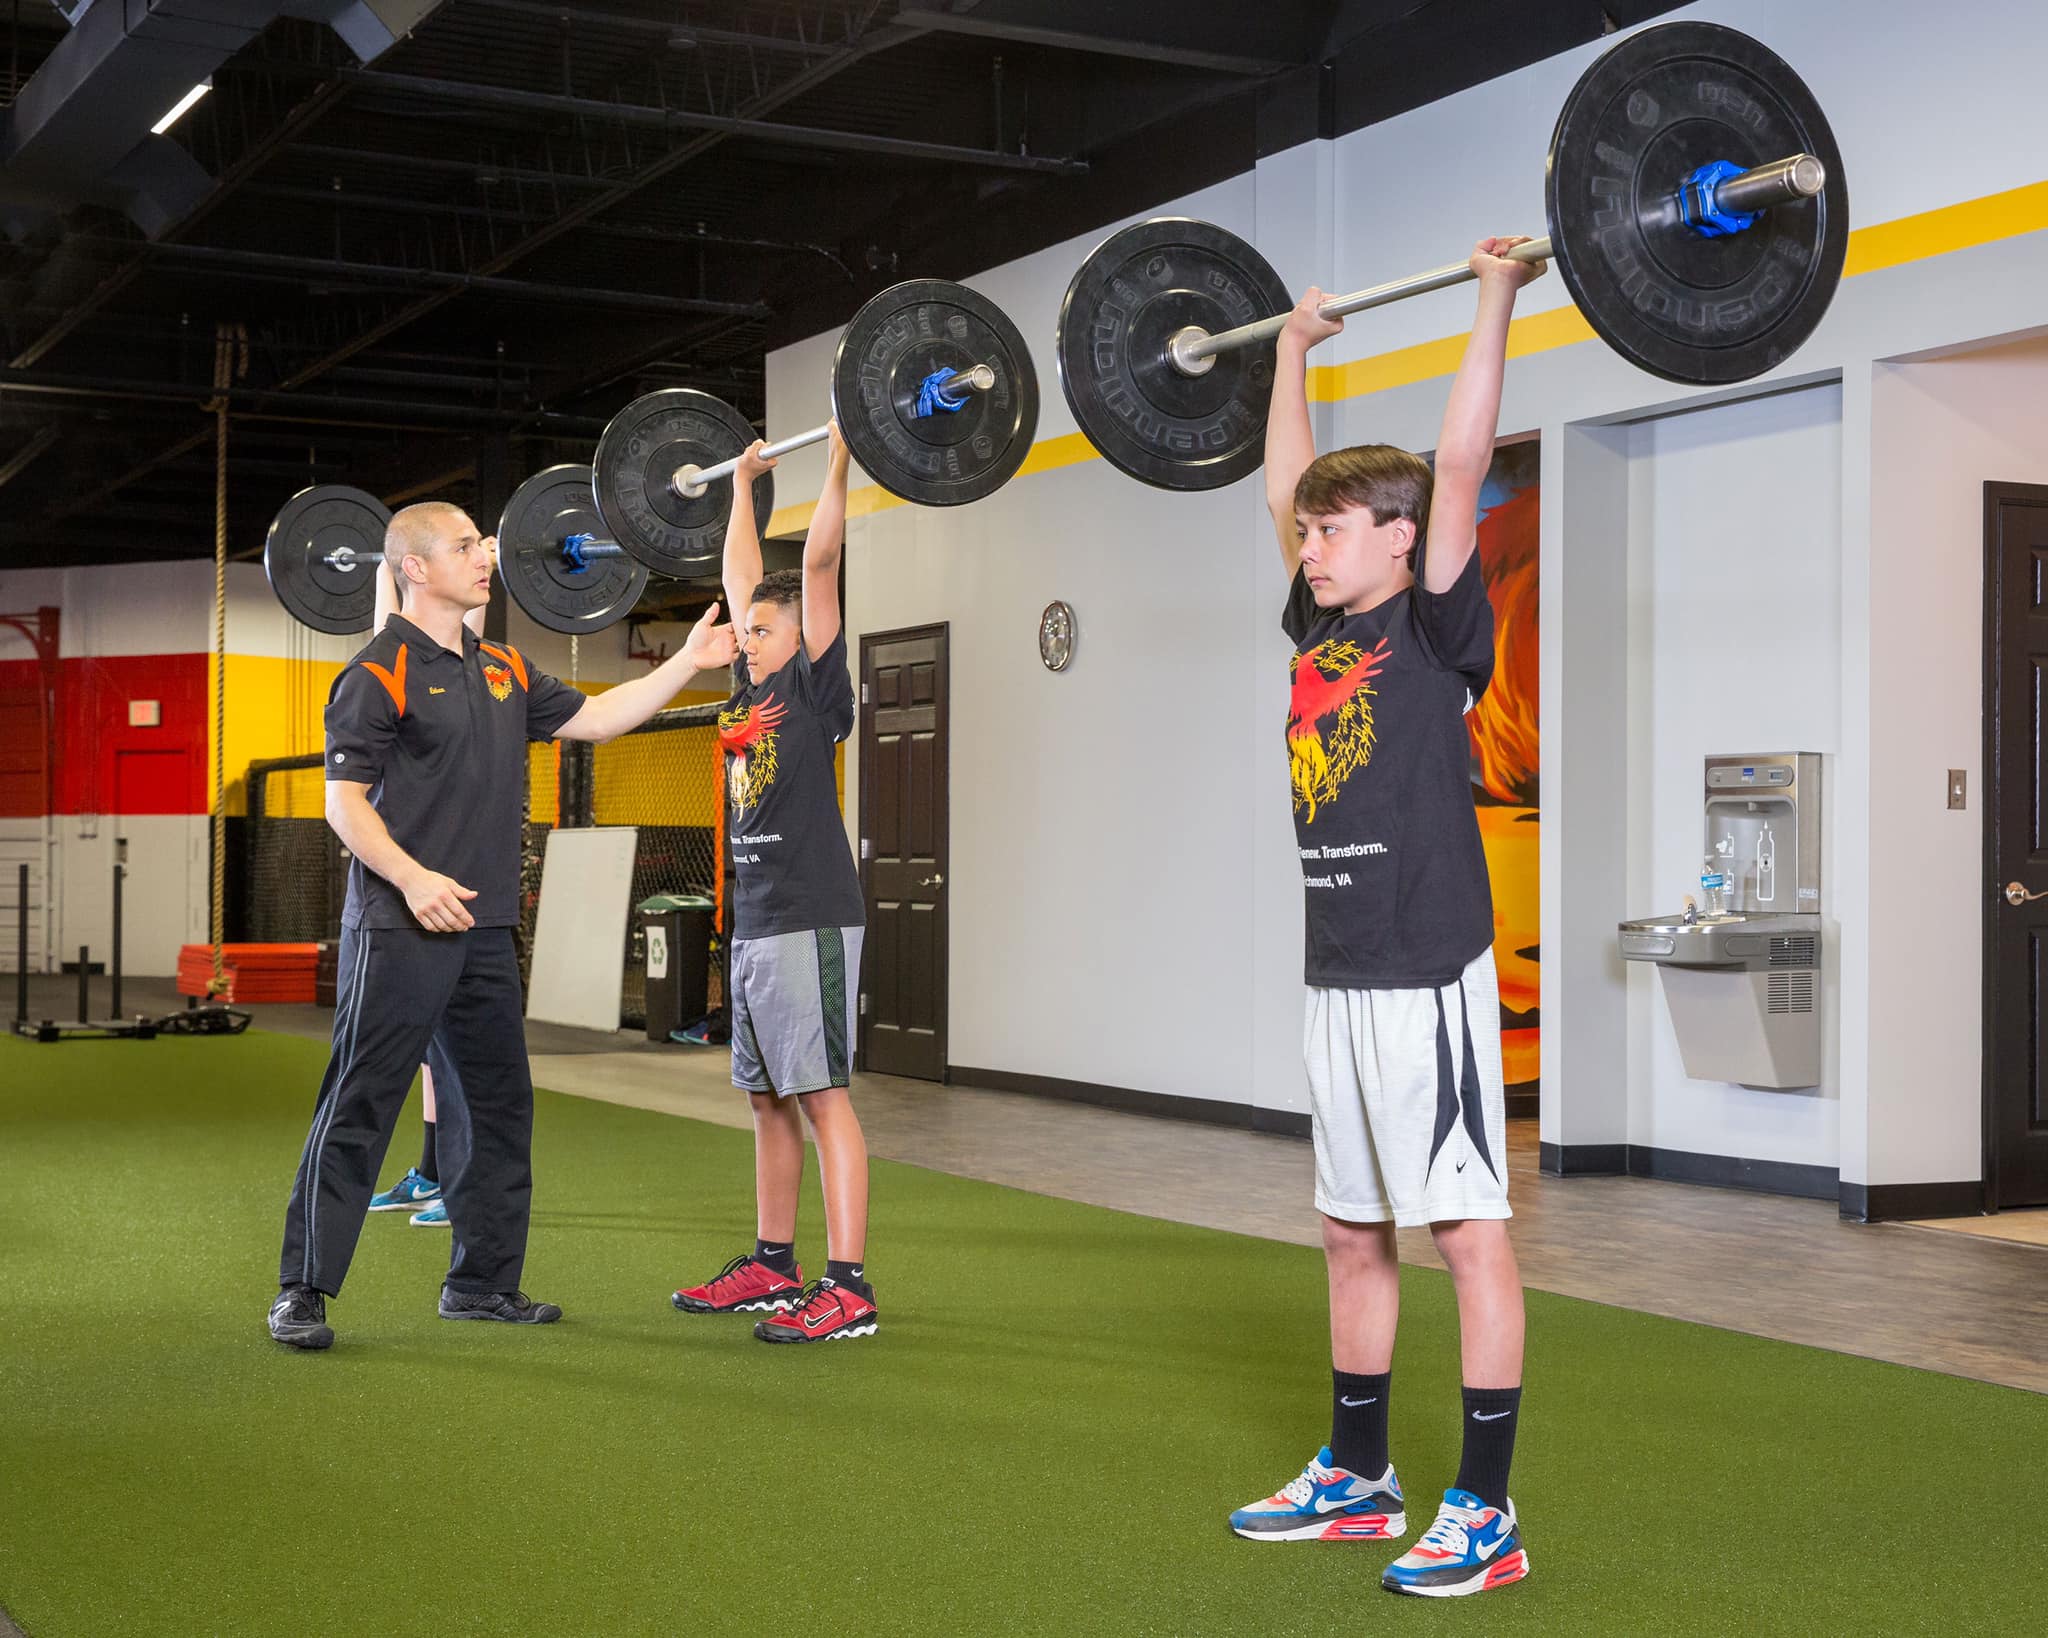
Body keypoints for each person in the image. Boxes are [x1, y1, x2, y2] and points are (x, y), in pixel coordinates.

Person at [1225, 241, 1545, 1598]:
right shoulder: (1318, 633)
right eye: (1309, 534)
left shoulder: (1433, 628)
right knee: (1352, 1229)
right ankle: (1360, 1475)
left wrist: (1493, 295)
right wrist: (1288, 354)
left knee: (1466, 1230)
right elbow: (1277, 482)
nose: (1310, 544)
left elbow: (1460, 459)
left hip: (1428, 975)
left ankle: (1487, 1507)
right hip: (1338, 975)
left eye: (1334, 529)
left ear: (1403, 540)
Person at [267, 501, 737, 1350]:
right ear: (413, 568)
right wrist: (411, 882)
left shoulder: (505, 670)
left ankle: (482, 1285)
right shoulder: (376, 674)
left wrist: (688, 665)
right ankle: (302, 1290)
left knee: (498, 1107)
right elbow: (343, 809)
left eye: (482, 544)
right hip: (401, 924)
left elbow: (596, 718)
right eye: (463, 547)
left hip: (483, 934)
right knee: (361, 1102)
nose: (485, 557)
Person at [668, 424, 876, 1345]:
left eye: (763, 628)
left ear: (802, 638)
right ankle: (772, 1263)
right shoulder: (745, 694)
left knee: (822, 1094)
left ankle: (848, 1286)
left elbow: (820, 558)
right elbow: (740, 574)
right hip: (752, 922)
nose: (746, 638)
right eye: (745, 630)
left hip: (810, 918)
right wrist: (745, 485)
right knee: (765, 1097)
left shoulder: (815, 689)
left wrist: (839, 454)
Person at [363, 557, 492, 1229]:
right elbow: (392, 627)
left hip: (460, 891)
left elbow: (463, 632)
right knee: (426, 1054)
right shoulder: (384, 672)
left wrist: (484, 561)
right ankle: (434, 1171)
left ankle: (453, 1182)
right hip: (404, 888)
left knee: (455, 1057)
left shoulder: (471, 669)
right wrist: (385, 569)